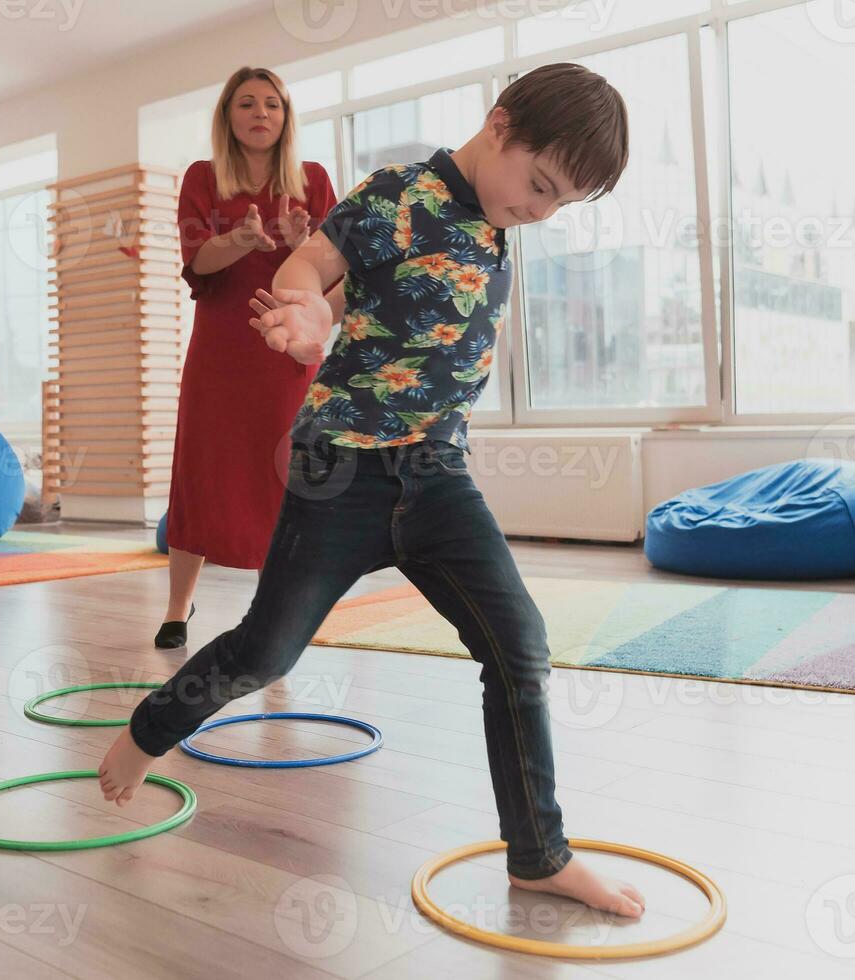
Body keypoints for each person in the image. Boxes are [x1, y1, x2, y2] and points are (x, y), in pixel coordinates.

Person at [100, 63, 647, 919]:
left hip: (435, 474)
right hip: (341, 471)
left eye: (560, 205)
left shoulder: (497, 219)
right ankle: (146, 734)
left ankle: (537, 855)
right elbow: (305, 269)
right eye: (539, 185)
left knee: (520, 650)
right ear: (498, 126)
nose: (541, 211)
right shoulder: (397, 193)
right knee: (265, 652)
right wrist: (307, 312)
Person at [157, 67, 337, 649]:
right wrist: (240, 240)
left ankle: (270, 616)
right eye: (247, 104)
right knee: (199, 473)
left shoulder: (311, 179)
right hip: (221, 351)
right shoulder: (203, 178)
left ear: (286, 118)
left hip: (285, 353)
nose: (261, 113)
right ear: (228, 117)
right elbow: (197, 262)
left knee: (279, 478)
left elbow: (339, 269)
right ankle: (176, 609)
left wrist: (300, 244)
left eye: (272, 104)